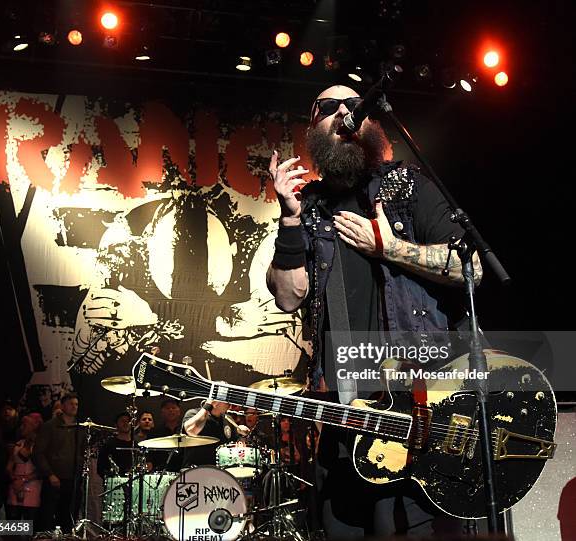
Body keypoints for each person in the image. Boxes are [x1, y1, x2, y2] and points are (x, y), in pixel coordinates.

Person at [266, 85, 482, 538]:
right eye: (328, 107)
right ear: (315, 127)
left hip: (415, 416)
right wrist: (288, 218)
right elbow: (288, 296)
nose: (344, 111)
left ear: (371, 122)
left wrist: (392, 248)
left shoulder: (407, 188)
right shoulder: (310, 209)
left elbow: (472, 268)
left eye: (354, 105)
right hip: (346, 418)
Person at [32, 393, 84, 533]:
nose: (74, 406)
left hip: (73, 479)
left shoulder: (80, 428)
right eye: (71, 403)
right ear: (62, 406)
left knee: (68, 517)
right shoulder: (50, 426)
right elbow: (38, 453)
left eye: (76, 404)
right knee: (47, 517)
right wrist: (49, 474)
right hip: (54, 478)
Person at [181, 400, 249, 468]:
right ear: (215, 402)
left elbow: (236, 446)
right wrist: (208, 405)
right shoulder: (193, 413)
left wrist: (242, 435)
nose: (229, 403)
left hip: (220, 472)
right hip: (194, 470)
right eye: (226, 400)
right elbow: (191, 431)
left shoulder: (228, 419)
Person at [6, 413, 44, 527]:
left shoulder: (40, 444)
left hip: (32, 488)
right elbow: (9, 466)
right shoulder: (19, 443)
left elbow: (41, 469)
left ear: (35, 425)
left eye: (25, 424)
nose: (22, 427)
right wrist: (13, 477)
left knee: (30, 525)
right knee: (13, 526)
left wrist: (23, 479)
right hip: (15, 488)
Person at [97, 412, 134, 479]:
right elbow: (100, 468)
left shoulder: (136, 445)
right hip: (114, 483)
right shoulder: (108, 445)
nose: (126, 423)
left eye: (128, 421)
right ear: (116, 425)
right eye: (123, 421)